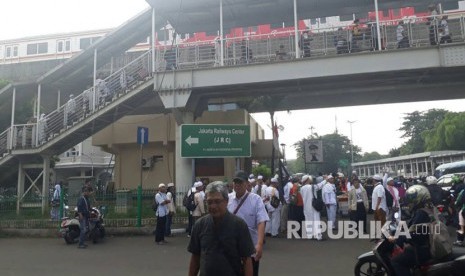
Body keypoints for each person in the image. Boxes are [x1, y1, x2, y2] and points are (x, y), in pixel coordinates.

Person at [188, 181, 255, 276]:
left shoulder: (239, 225)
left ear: (226, 201)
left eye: (217, 201)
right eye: (209, 202)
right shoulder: (200, 225)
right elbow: (195, 257)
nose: (213, 206)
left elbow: (246, 260)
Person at [227, 171, 269, 276]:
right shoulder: (227, 199)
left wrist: (259, 244)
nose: (237, 185)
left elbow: (261, 221)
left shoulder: (256, 200)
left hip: (250, 248)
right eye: (235, 182)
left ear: (247, 184)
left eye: (240, 182)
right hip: (230, 247)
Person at [390, 185, 436, 276]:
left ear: (419, 198)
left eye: (412, 199)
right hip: (428, 244)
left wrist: (398, 238)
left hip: (422, 249)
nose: (410, 202)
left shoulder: (421, 213)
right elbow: (416, 228)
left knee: (396, 261)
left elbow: (414, 235)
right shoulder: (430, 208)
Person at [300, 175, 325, 240]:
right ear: (308, 180)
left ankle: (310, 235)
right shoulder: (312, 187)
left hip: (306, 207)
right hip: (314, 206)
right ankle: (318, 236)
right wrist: (325, 180)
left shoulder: (302, 188)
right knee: (316, 220)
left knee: (308, 220)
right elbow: (320, 186)